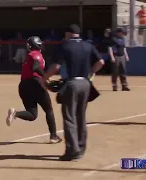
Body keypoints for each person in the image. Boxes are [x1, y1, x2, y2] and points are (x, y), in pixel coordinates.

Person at [45, 24, 104, 161]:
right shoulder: (88, 45)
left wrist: (45, 78)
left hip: (71, 84)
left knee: (69, 117)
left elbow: (56, 66)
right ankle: (81, 148)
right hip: (85, 83)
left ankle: (73, 151)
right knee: (80, 117)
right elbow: (100, 62)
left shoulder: (64, 46)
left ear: (68, 34)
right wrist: (90, 72)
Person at [5, 36, 62, 144]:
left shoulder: (28, 56)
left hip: (23, 85)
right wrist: (46, 78)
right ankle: (53, 136)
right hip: (35, 83)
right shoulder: (36, 54)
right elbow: (35, 68)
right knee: (49, 110)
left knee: (32, 114)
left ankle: (15, 113)